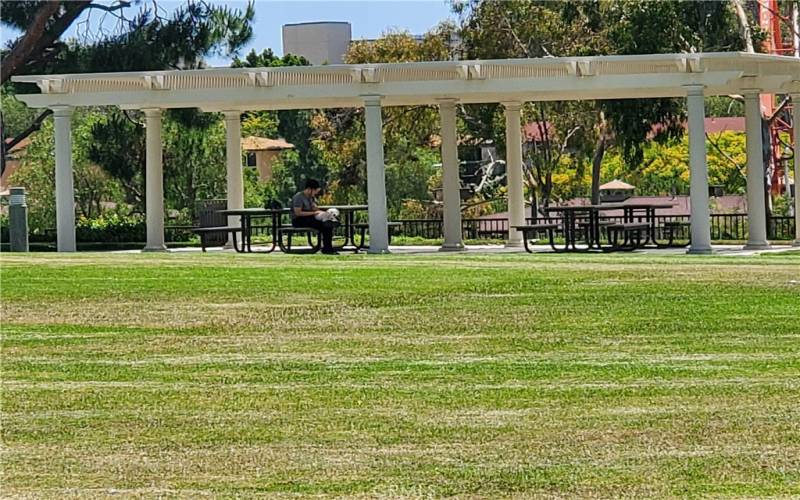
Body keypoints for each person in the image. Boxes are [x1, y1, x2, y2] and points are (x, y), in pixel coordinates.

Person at [291, 179, 337, 254]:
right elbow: (297, 213)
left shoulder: (311, 198)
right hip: (298, 220)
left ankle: (328, 248)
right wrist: (313, 213)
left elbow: (314, 208)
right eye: (315, 191)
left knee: (328, 224)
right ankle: (327, 249)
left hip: (309, 218)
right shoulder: (298, 197)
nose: (316, 193)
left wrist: (325, 213)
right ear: (309, 189)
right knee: (322, 225)